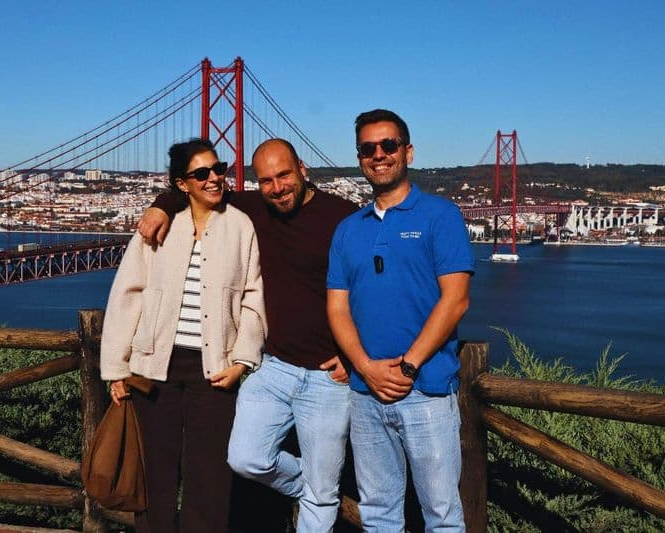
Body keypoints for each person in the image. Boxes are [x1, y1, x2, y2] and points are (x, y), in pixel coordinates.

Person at [138, 138, 357, 532]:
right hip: (274, 368)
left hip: (328, 377)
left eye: (285, 175)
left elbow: (376, 288)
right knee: (245, 458)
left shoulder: (344, 217)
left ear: (302, 169)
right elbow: (198, 190)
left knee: (322, 495)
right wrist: (161, 203)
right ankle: (316, 488)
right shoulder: (252, 208)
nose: (277, 187)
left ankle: (320, 493)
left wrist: (357, 353)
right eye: (266, 180)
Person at [100, 138, 266, 533]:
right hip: (155, 365)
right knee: (155, 474)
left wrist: (242, 361)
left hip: (213, 369)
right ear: (181, 184)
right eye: (202, 173)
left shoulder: (241, 225)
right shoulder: (160, 225)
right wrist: (117, 370)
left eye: (219, 168)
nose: (214, 178)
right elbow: (128, 293)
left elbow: (253, 297)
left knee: (209, 477)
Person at [326, 109, 474, 532]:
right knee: (378, 515)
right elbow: (337, 308)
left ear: (408, 151)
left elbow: (457, 300)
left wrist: (407, 366)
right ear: (359, 157)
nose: (379, 155)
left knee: (442, 516)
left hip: (425, 391)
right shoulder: (347, 229)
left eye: (389, 145)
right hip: (365, 392)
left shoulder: (440, 215)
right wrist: (367, 367)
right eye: (368, 148)